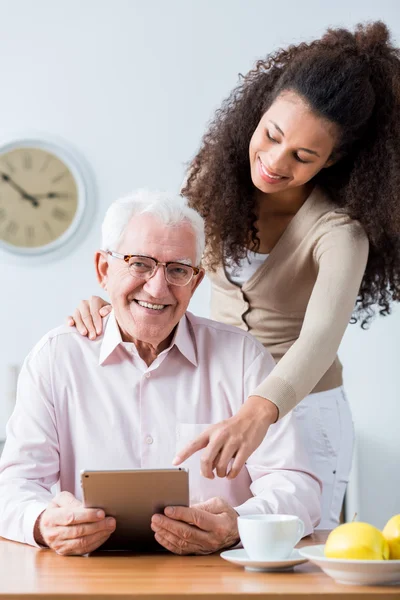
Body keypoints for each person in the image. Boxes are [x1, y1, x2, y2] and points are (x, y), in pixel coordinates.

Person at [67, 21, 400, 529]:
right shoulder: (211, 182)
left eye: (302, 157)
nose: (272, 161)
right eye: (271, 134)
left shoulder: (339, 232)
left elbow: (319, 340)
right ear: (260, 109)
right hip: (223, 405)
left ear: (334, 161)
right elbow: (164, 256)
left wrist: (258, 413)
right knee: (215, 538)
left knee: (296, 550)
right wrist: (112, 301)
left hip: (304, 412)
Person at [0, 191, 320, 556]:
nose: (157, 287)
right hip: (88, 580)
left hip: (218, 580)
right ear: (104, 270)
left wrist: (239, 524)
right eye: (139, 264)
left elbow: (299, 488)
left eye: (178, 270)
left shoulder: (243, 358)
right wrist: (41, 522)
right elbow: (15, 486)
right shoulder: (56, 358)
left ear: (195, 282)